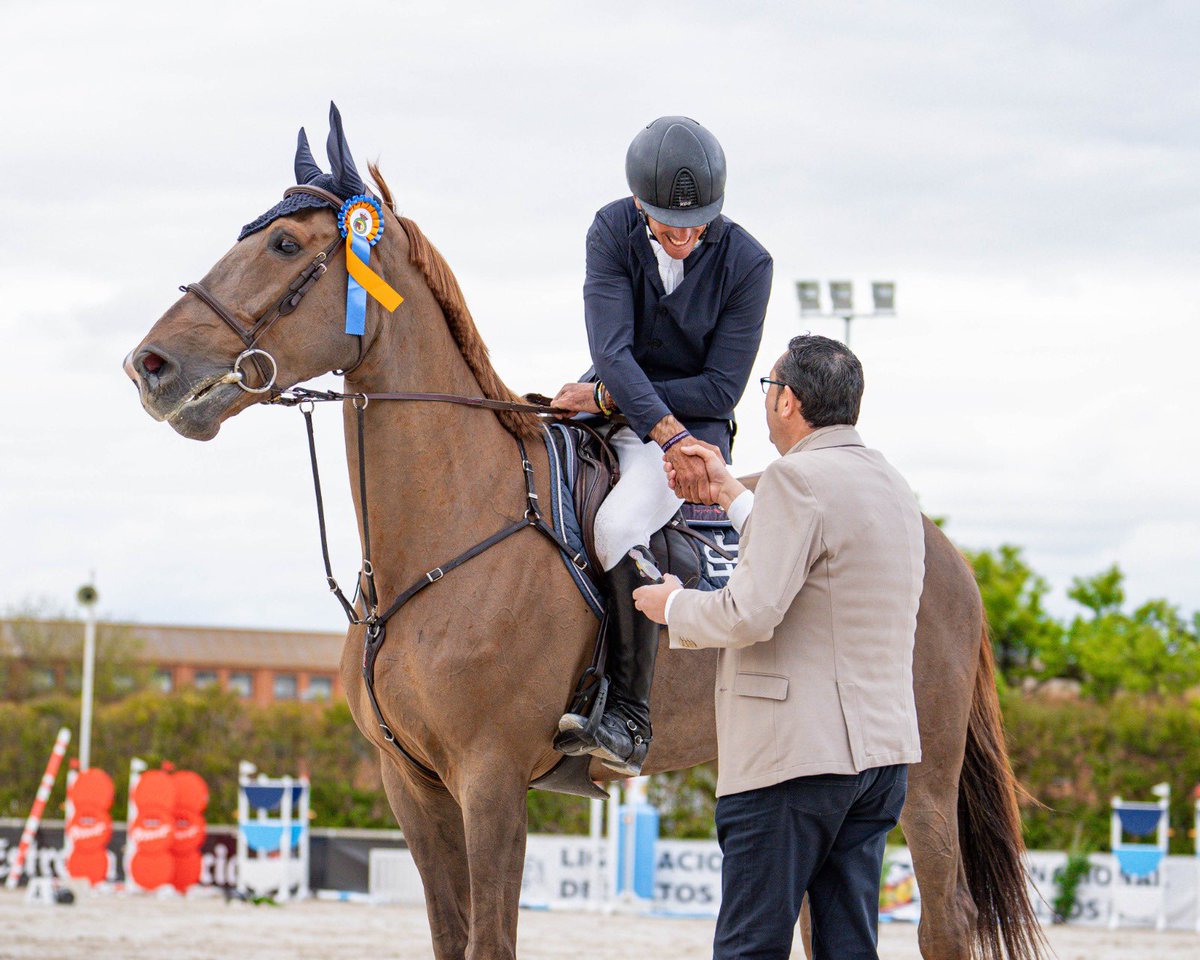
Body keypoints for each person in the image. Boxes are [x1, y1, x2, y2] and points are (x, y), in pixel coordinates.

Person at [634, 334, 925, 960]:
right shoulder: (890, 483)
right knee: (848, 945)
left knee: (749, 947)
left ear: (788, 401)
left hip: (792, 759)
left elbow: (748, 613)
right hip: (878, 760)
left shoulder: (796, 480)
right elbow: (814, 552)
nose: (766, 399)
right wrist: (729, 494)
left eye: (768, 388)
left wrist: (672, 607)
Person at [553, 116, 773, 776]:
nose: (683, 237)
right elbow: (610, 351)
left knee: (619, 524)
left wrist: (636, 413)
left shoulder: (748, 262)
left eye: (696, 225)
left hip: (691, 433)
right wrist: (606, 400)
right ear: (638, 204)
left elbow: (721, 385)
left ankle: (629, 714)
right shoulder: (611, 230)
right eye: (667, 224)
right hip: (605, 410)